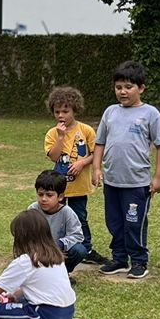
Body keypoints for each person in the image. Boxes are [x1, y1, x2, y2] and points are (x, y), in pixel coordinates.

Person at [91, 61, 160, 278]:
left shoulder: (150, 113)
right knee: (114, 222)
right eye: (118, 87)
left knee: (134, 222)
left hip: (137, 183)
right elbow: (100, 143)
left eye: (128, 87)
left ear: (141, 88)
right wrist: (96, 168)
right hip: (112, 181)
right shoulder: (110, 112)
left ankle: (138, 260)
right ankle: (119, 258)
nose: (123, 92)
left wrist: (159, 177)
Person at [0, 209, 76, 319]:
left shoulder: (26, 261)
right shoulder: (55, 255)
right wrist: (12, 296)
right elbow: (38, 286)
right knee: (19, 300)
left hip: (44, 316)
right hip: (67, 313)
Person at [44, 85, 103, 261]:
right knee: (58, 218)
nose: (61, 115)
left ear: (75, 110)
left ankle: (86, 249)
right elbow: (54, 157)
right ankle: (58, 248)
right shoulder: (52, 133)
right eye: (57, 112)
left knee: (80, 218)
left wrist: (82, 163)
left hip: (79, 186)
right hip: (59, 188)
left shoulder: (86, 131)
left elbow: (96, 153)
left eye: (65, 111)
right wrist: (61, 137)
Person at [30, 171, 90, 272]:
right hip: (38, 251)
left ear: (60, 197)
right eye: (40, 194)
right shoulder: (33, 210)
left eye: (49, 195)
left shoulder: (67, 212)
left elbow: (77, 236)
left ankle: (64, 273)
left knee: (79, 250)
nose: (43, 199)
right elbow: (25, 234)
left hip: (60, 251)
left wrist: (60, 244)